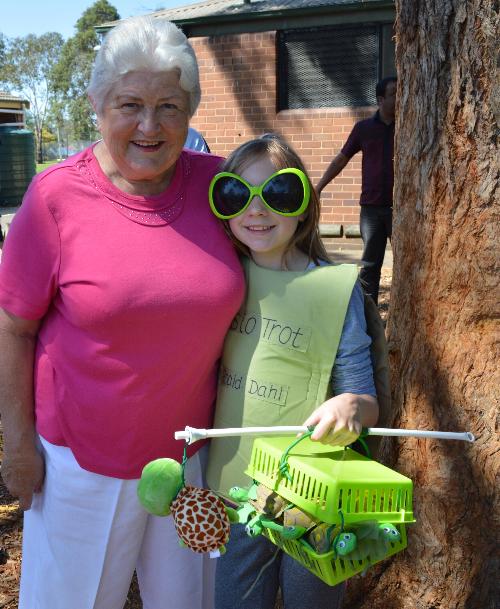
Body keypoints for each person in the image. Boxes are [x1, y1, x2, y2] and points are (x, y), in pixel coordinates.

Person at [0, 16, 244, 609]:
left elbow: (289, 262)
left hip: (193, 460)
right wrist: (16, 447)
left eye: (169, 105)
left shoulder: (224, 188)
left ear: (190, 109)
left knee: (187, 603)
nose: (149, 125)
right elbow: (13, 326)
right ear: (97, 104)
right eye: (129, 104)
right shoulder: (56, 195)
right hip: (79, 466)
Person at [205, 134, 379, 609]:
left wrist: (350, 405)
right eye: (237, 195)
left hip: (314, 501)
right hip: (239, 493)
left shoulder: (335, 292)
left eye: (278, 193)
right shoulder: (217, 282)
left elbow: (365, 398)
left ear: (304, 205)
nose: (256, 210)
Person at [316, 76, 397, 304]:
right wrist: (320, 186)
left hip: (401, 209)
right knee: (370, 264)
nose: (399, 97)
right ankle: (368, 314)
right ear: (380, 99)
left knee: (406, 263)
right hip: (371, 209)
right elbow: (341, 159)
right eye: (394, 93)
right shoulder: (364, 129)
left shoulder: (408, 127)